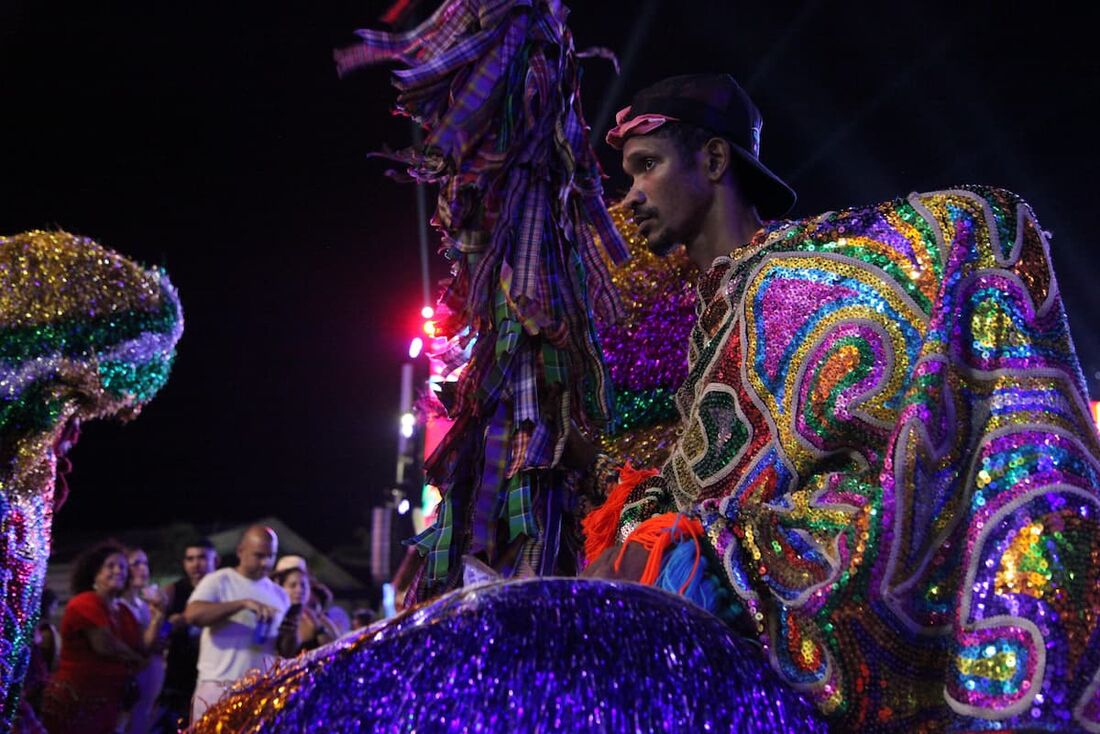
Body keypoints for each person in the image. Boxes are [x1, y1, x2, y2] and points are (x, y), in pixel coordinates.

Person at [571, 73, 1100, 731]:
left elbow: (985, 219)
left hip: (819, 596)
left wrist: (718, 545)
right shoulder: (707, 317)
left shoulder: (806, 272)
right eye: (626, 176)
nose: (633, 198)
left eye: (647, 167)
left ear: (712, 161)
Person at [183, 526, 288, 724]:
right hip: (218, 688)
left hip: (260, 691)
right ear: (241, 551)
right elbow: (193, 614)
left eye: (270, 556)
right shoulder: (219, 580)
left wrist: (292, 633)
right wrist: (242, 604)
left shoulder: (280, 595)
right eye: (258, 555)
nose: (265, 562)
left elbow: (284, 649)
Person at [39, 541, 146, 734]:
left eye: (122, 567)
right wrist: (136, 658)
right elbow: (104, 645)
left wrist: (158, 617)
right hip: (76, 700)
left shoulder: (123, 610)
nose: (118, 571)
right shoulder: (85, 602)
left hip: (109, 701)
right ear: (95, 572)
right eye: (110, 566)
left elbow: (140, 646)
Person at [155, 539, 217, 732]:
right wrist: (170, 625)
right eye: (190, 559)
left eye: (202, 558)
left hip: (214, 674)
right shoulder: (173, 591)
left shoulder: (224, 590)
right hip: (180, 678)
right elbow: (158, 635)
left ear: (216, 560)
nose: (196, 564)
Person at [118, 547, 168, 734]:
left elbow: (158, 635)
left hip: (150, 681)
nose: (143, 569)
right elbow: (141, 647)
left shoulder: (143, 605)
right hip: (133, 683)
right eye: (136, 563)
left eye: (145, 563)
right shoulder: (119, 606)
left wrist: (163, 627)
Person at [272, 557, 338, 657]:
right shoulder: (273, 615)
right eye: (293, 585)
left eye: (303, 585)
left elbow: (336, 648)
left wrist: (319, 628)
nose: (299, 590)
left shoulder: (317, 618)